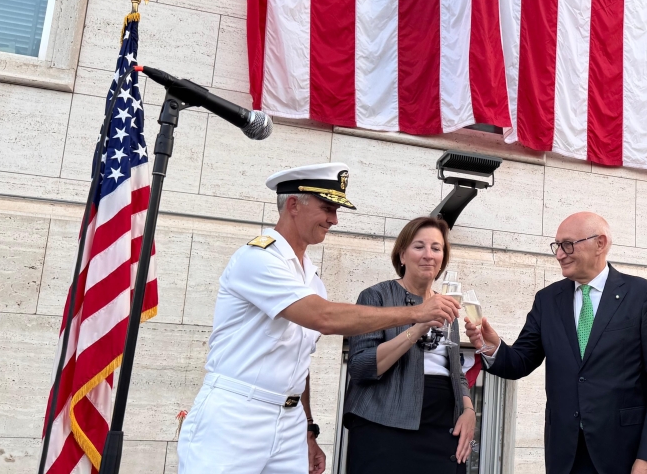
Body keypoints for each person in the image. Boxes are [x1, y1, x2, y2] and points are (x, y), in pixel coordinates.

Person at [177, 163, 460, 474]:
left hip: (289, 418)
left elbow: (299, 362)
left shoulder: (311, 279)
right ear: (294, 205)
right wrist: (416, 314)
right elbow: (324, 318)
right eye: (327, 208)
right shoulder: (258, 258)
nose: (334, 219)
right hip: (236, 413)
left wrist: (308, 429)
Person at [465, 212, 647, 474]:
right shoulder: (547, 300)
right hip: (565, 454)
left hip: (626, 454)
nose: (559, 254)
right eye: (557, 246)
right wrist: (492, 347)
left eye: (568, 244)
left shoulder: (643, 296)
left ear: (600, 243)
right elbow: (520, 361)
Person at [342, 217, 476, 474]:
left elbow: (456, 370)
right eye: (419, 247)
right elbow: (361, 367)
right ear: (402, 254)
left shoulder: (447, 303)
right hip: (385, 424)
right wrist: (419, 324)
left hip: (442, 425)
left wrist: (469, 409)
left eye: (436, 248)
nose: (428, 255)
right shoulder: (376, 296)